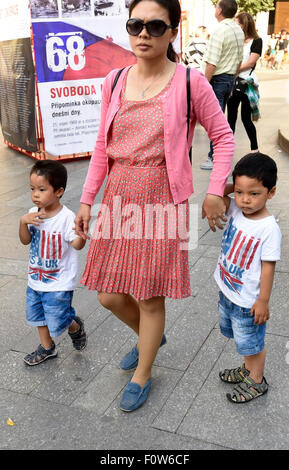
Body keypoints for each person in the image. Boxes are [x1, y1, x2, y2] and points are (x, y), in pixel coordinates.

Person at [75, 0, 234, 412]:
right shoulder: (114, 80)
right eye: (135, 24)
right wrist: (87, 200)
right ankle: (151, 335)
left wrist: (216, 187)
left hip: (161, 195)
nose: (143, 33)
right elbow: (100, 148)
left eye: (154, 25)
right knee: (108, 294)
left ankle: (143, 371)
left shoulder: (189, 82)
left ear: (172, 31)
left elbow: (223, 135)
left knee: (149, 297)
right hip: (118, 194)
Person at [215, 153, 281, 403]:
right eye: (240, 192)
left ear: (270, 192)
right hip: (228, 292)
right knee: (243, 343)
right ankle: (248, 369)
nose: (245, 199)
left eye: (254, 193)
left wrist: (263, 301)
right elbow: (217, 190)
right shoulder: (235, 208)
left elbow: (268, 267)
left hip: (248, 303)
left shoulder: (269, 228)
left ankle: (256, 380)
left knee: (252, 343)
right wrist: (236, 185)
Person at [19, 160, 87, 366]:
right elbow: (25, 240)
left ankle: (74, 326)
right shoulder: (33, 213)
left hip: (58, 282)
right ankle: (47, 347)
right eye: (32, 189)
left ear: (58, 192)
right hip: (35, 279)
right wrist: (23, 221)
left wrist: (81, 234)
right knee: (38, 315)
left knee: (58, 318)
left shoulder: (66, 218)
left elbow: (76, 245)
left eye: (41, 189)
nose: (35, 195)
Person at [200, 0, 244, 170]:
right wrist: (232, 80)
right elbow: (239, 60)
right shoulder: (238, 30)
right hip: (228, 79)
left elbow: (212, 62)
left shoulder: (220, 30)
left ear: (220, 10)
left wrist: (203, 84)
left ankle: (214, 157)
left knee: (214, 121)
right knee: (220, 120)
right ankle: (220, 155)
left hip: (217, 80)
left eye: (216, 6)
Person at [227, 12, 262, 154]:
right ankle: (227, 148)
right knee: (230, 119)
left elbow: (251, 62)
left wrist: (234, 70)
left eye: (238, 23)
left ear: (245, 24)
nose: (236, 26)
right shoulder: (235, 40)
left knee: (246, 119)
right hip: (233, 84)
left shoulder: (257, 41)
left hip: (248, 84)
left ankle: (255, 148)